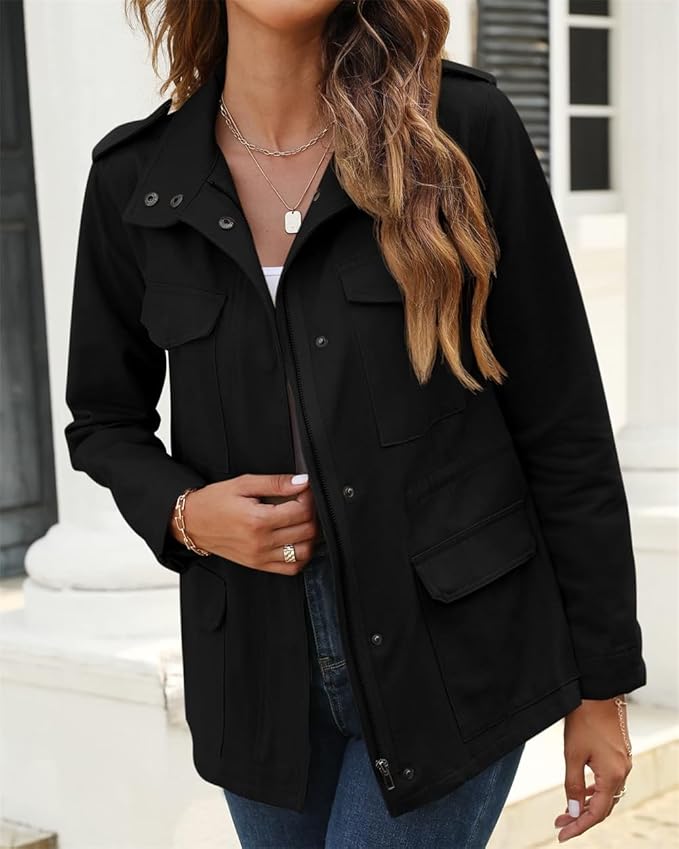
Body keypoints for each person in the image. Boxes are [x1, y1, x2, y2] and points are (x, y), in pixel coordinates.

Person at [64, 1, 646, 846]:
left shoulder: (458, 132)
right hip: (255, 675)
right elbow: (103, 419)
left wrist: (602, 680)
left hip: (453, 655)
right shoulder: (138, 178)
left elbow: (562, 420)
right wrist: (186, 514)